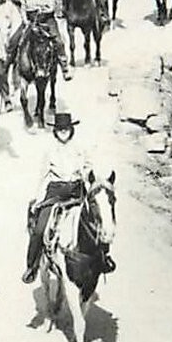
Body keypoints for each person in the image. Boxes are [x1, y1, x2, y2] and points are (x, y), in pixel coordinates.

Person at [22, 112, 114, 283]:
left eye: (66, 128)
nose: (63, 132)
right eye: (60, 129)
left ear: (71, 129)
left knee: (98, 218)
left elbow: (88, 169)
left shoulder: (80, 148)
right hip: (56, 192)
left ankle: (104, 258)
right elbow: (42, 175)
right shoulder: (50, 150)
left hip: (77, 190)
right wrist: (37, 197)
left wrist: (92, 181)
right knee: (40, 229)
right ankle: (32, 265)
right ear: (55, 131)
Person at [6, 0, 73, 80]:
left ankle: (64, 67)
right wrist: (25, 20)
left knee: (58, 41)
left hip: (47, 19)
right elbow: (23, 8)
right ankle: (8, 66)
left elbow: (51, 7)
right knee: (15, 40)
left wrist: (42, 10)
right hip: (31, 20)